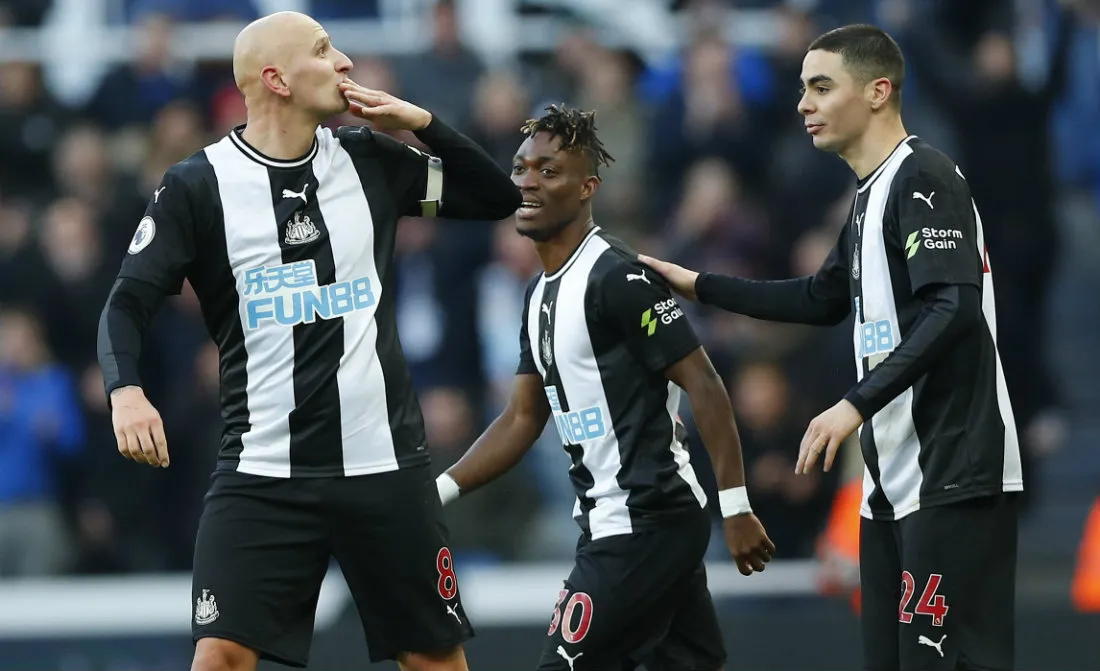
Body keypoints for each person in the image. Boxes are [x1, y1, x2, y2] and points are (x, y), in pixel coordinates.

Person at [96, 11, 520, 671]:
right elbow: (127, 301)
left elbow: (497, 197)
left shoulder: (373, 160)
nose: (346, 62)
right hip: (263, 469)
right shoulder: (197, 187)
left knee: (434, 660)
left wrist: (422, 125)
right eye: (324, 50)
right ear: (277, 79)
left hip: (384, 465)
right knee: (220, 657)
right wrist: (126, 391)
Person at [640, 24, 1022, 671]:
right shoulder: (867, 197)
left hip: (955, 472)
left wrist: (853, 403)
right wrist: (699, 284)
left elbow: (952, 308)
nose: (803, 104)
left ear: (878, 92)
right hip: (890, 481)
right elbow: (820, 297)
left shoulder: (923, 174)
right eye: (801, 88)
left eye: (821, 86)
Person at [434, 104, 774, 671]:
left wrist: (735, 506)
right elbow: (521, 418)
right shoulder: (538, 293)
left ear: (587, 186)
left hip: (645, 522)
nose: (527, 182)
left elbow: (706, 384)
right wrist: (437, 492)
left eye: (548, 171)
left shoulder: (620, 276)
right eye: (521, 168)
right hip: (614, 522)